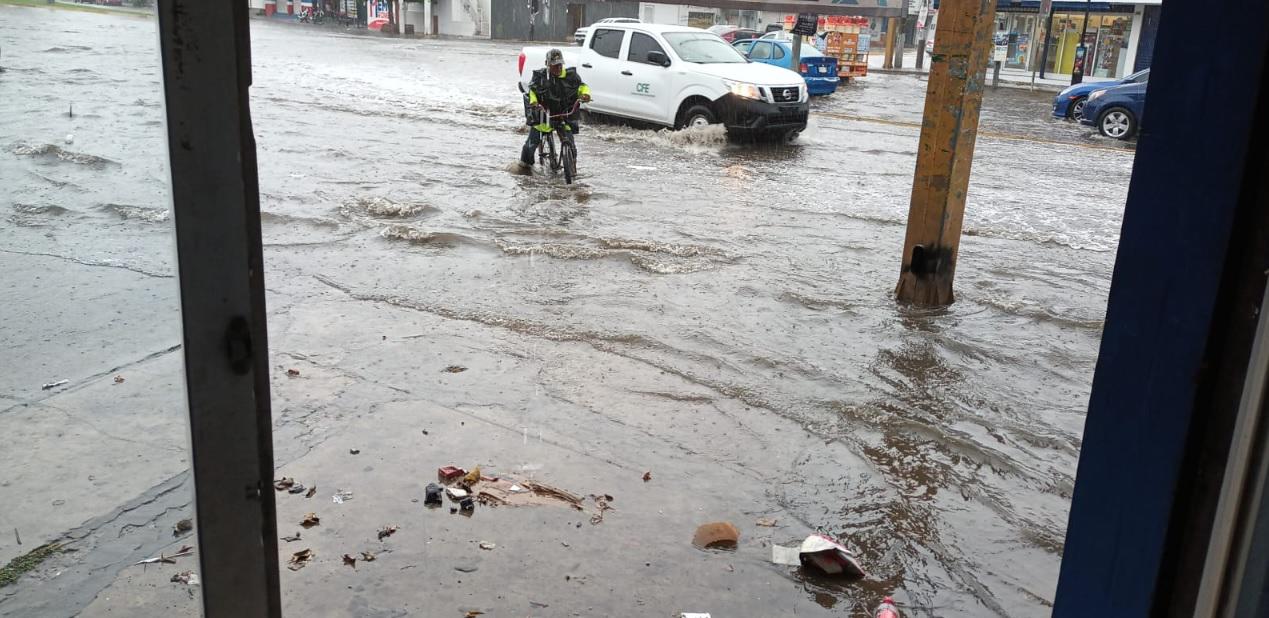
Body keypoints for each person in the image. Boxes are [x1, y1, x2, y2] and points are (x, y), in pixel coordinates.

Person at [518, 48, 591, 173]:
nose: (558, 68)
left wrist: (585, 95)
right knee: (530, 146)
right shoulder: (540, 77)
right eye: (554, 65)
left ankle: (572, 168)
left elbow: (583, 87)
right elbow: (532, 92)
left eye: (560, 65)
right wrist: (534, 102)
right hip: (544, 116)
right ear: (547, 64)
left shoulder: (571, 76)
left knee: (571, 144)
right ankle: (524, 166)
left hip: (564, 116)